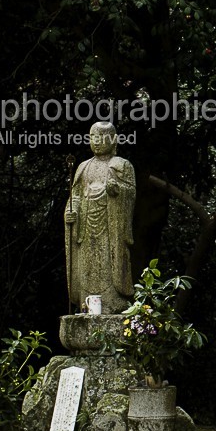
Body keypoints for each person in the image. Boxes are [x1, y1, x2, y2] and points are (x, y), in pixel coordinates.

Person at [64, 121, 135, 313]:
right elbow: (75, 196)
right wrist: (71, 213)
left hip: (111, 230)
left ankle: (113, 303)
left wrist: (117, 191)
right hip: (85, 230)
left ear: (113, 140)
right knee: (87, 265)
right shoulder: (83, 168)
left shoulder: (121, 166)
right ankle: (86, 304)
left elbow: (130, 194)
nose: (96, 141)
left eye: (101, 137)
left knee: (108, 263)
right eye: (93, 137)